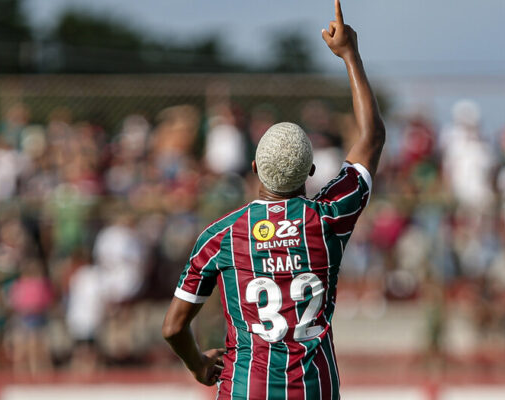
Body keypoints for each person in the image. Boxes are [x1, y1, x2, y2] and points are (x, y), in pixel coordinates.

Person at [162, 1, 385, 398]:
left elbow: (173, 327)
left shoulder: (221, 237)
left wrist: (198, 365)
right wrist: (350, 54)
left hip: (246, 389)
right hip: (313, 390)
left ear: (253, 168)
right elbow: (371, 140)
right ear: (311, 171)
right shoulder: (329, 218)